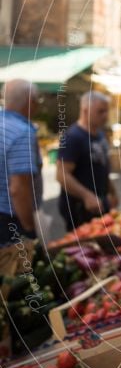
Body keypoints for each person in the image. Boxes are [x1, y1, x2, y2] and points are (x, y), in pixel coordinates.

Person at [56, 91, 118, 231]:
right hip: (79, 208)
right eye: (100, 111)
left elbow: (102, 168)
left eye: (107, 111)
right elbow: (61, 175)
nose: (105, 116)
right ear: (85, 110)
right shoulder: (73, 137)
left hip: (100, 204)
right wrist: (87, 196)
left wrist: (113, 192)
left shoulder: (100, 135)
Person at [0, 80, 43, 245]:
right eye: (37, 101)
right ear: (30, 101)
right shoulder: (22, 133)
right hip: (8, 220)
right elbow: (18, 189)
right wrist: (29, 229)